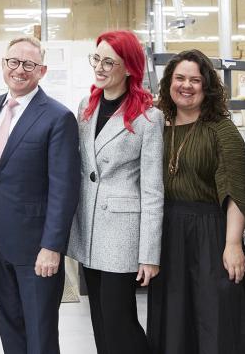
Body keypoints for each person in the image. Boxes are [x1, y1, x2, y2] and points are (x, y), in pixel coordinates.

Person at [147, 49, 245, 354]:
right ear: (169, 82)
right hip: (167, 234)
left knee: (215, 318)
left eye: (195, 80)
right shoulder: (157, 125)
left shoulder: (220, 129)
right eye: (180, 78)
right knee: (173, 320)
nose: (186, 85)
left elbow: (236, 189)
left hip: (209, 235)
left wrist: (233, 244)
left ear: (206, 86)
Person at [68, 30, 164, 354]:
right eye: (97, 58)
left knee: (119, 319)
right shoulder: (87, 105)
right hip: (89, 228)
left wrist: (149, 254)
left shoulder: (149, 117)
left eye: (109, 61)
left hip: (122, 233)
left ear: (130, 68)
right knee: (98, 317)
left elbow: (152, 190)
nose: (100, 66)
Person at [0, 36, 81, 354]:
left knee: (39, 335)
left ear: (42, 71)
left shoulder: (57, 117)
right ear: (3, 64)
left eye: (29, 64)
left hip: (37, 250)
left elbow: (64, 188)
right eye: (14, 62)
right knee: (9, 329)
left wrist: (52, 247)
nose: (20, 70)